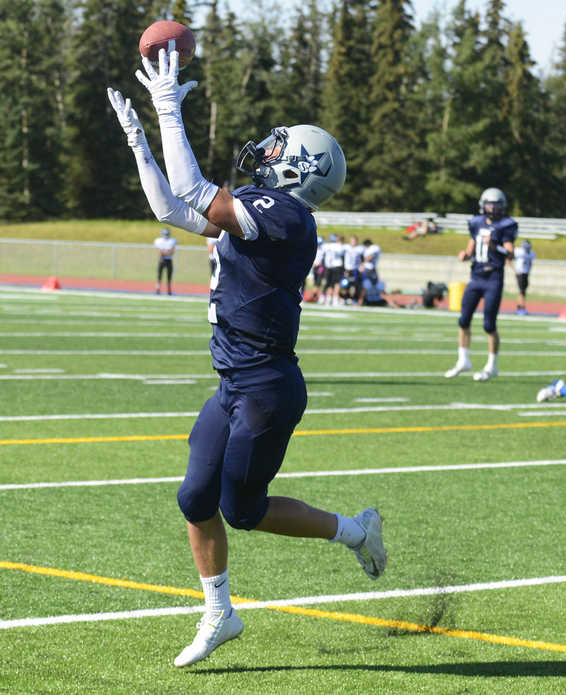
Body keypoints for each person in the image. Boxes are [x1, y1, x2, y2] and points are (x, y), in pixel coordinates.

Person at [107, 46, 385, 668]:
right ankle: (218, 612)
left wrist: (166, 108)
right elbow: (172, 209)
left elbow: (193, 188)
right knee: (194, 499)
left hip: (266, 388)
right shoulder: (264, 213)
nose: (267, 149)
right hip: (234, 382)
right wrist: (138, 141)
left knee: (244, 510)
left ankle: (356, 529)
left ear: (299, 169)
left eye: (280, 147)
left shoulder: (285, 215)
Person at [444, 187, 518, 381]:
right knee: (463, 319)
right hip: (476, 276)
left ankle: (492, 365)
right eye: (489, 204)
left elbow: (510, 253)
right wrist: (465, 255)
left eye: (496, 205)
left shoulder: (506, 225)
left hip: (493, 277)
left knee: (488, 324)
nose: (492, 208)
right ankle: (463, 360)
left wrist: (496, 246)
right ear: (483, 205)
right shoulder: (475, 223)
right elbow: (471, 246)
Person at [320, 233, 346, 305]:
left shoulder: (326, 246)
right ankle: (334, 299)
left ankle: (328, 299)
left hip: (329, 267)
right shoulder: (340, 246)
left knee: (329, 284)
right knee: (336, 283)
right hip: (337, 266)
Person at [513, 239, 536, 314]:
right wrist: (514, 269)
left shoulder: (531, 253)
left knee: (523, 291)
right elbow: (508, 258)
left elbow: (531, 263)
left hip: (526, 273)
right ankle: (520, 307)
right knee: (522, 291)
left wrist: (529, 271)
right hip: (520, 273)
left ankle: (521, 307)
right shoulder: (519, 252)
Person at [154, 227, 178, 295]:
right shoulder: (158, 241)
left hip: (169, 260)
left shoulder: (172, 241)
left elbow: (172, 251)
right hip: (161, 260)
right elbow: (159, 252)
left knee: (169, 276)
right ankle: (158, 289)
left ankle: (169, 290)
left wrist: (164, 252)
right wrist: (167, 252)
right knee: (159, 275)